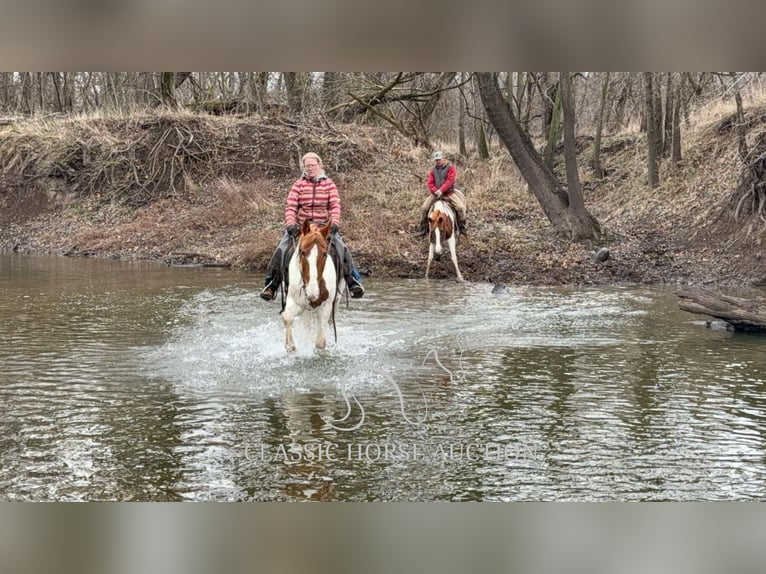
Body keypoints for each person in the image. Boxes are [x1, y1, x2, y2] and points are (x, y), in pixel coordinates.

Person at [260, 152, 365, 301]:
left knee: (342, 248)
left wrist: (334, 222)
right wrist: (290, 224)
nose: (310, 168)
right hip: (304, 228)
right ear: (304, 167)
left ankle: (353, 281)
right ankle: (271, 284)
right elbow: (291, 207)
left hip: (323, 227)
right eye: (307, 166)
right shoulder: (298, 185)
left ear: (319, 165)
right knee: (281, 249)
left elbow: (334, 205)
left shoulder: (329, 184)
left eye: (313, 165)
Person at [416, 151, 468, 236]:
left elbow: (450, 181)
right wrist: (435, 191)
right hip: (436, 194)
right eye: (436, 160)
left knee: (461, 207)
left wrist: (441, 190)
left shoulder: (450, 168)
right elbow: (430, 182)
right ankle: (423, 229)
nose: (438, 161)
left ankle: (461, 227)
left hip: (448, 193)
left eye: (439, 159)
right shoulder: (433, 170)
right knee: (424, 208)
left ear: (443, 159)